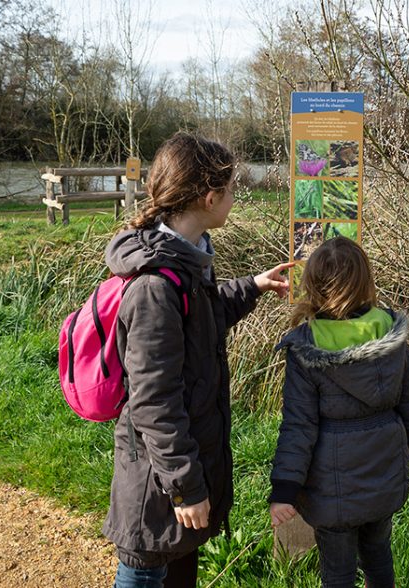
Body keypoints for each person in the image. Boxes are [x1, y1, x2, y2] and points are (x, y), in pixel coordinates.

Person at [103, 132, 294, 588]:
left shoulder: (184, 259)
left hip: (169, 475)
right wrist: (186, 487)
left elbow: (202, 319)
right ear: (209, 198)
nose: (233, 199)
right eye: (230, 191)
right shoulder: (156, 285)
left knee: (178, 570)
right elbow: (155, 401)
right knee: (145, 572)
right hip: (156, 483)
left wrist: (253, 285)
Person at [268, 236, 409, 588]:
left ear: (314, 285)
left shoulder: (307, 344)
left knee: (337, 572)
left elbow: (298, 427)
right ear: (366, 280)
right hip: (385, 472)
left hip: (330, 488)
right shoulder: (391, 331)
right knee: (379, 556)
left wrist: (285, 489)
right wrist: (403, 452)